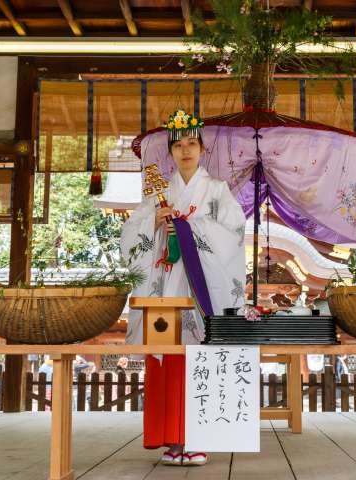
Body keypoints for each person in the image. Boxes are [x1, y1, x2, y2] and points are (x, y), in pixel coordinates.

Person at [121, 109, 246, 467]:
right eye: (178, 145)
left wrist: (191, 230)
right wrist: (154, 222)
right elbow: (132, 236)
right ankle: (172, 439)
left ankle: (197, 438)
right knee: (168, 359)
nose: (185, 150)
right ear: (171, 152)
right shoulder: (159, 194)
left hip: (202, 289)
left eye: (192, 143)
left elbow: (234, 236)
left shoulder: (218, 190)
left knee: (198, 358)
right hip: (166, 286)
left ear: (202, 148)